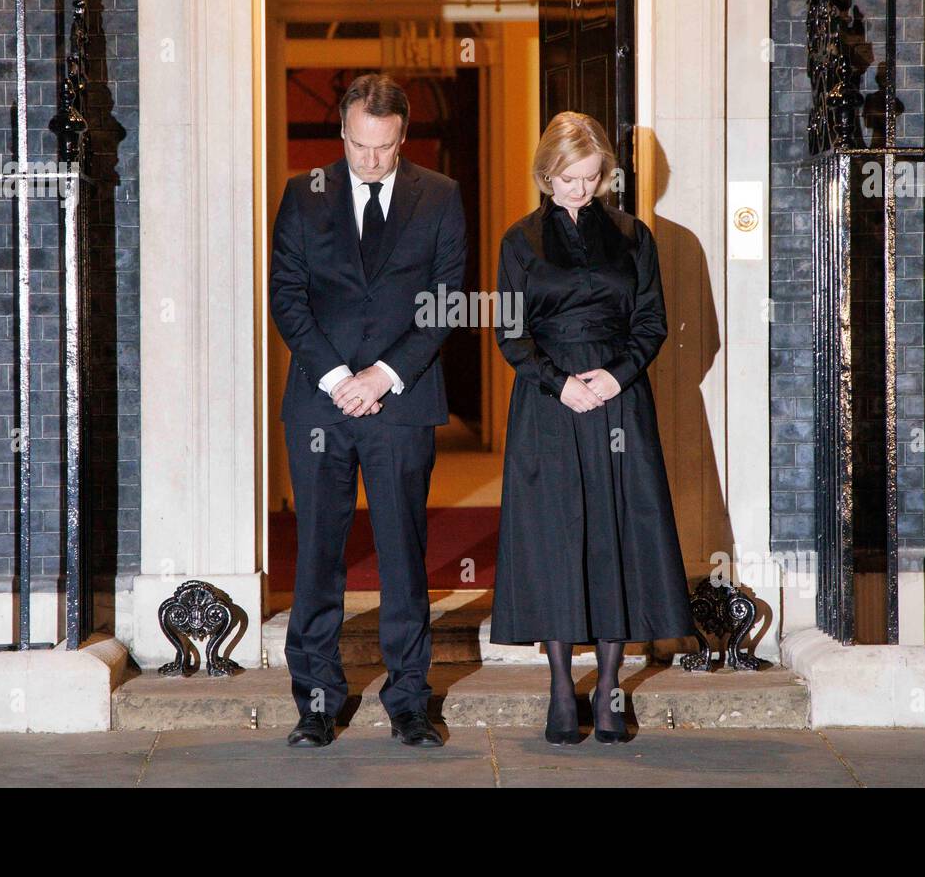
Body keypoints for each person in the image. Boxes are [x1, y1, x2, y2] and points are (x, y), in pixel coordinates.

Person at [269, 73, 467, 749]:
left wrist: (383, 374)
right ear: (343, 134)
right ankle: (318, 701)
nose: (371, 159)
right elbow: (287, 297)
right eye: (359, 145)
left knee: (403, 554)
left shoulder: (440, 196)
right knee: (319, 552)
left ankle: (410, 701)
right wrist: (336, 378)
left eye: (384, 147)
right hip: (322, 405)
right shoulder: (303, 194)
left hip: (401, 403)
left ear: (403, 136)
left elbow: (446, 298)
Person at [491, 111, 696, 745]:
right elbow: (510, 332)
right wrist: (561, 383)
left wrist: (616, 376)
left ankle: (607, 690)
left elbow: (653, 322)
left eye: (591, 178)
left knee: (616, 536)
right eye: (568, 179)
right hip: (548, 405)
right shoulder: (518, 241)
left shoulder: (636, 236)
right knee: (555, 539)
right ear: (544, 175)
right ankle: (560, 687)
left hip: (619, 399)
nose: (580, 190)